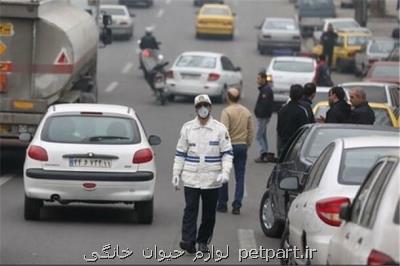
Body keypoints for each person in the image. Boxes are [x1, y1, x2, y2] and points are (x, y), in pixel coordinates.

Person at [172, 94, 233, 254]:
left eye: (205, 105)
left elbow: (227, 153)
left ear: (210, 107)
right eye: (199, 106)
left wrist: (225, 173)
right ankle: (188, 240)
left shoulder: (220, 129)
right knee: (190, 209)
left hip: (212, 179)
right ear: (196, 109)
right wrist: (176, 174)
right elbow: (180, 153)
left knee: (209, 213)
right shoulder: (187, 128)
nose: (203, 109)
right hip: (191, 177)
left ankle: (203, 241)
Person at [217, 88, 254, 215]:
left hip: (228, 147)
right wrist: (247, 144)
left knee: (224, 175)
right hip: (242, 146)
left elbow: (223, 131)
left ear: (228, 97)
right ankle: (237, 205)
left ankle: (222, 203)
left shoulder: (226, 112)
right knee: (240, 176)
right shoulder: (246, 112)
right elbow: (251, 131)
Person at [277, 84, 309, 157]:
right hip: (296, 144)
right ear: (301, 96)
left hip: (284, 142)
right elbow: (305, 129)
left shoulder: (282, 110)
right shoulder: (301, 111)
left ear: (290, 95)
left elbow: (279, 128)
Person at [254, 72, 274, 163]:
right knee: (263, 135)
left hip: (263, 116)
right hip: (262, 116)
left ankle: (263, 154)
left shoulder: (266, 90)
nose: (257, 80)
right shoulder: (264, 89)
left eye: (258, 78)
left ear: (263, 79)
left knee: (259, 136)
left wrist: (259, 113)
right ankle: (265, 154)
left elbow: (265, 105)